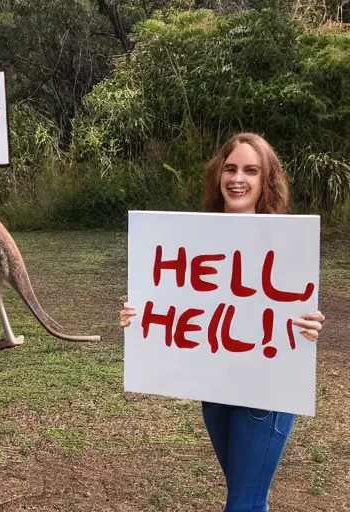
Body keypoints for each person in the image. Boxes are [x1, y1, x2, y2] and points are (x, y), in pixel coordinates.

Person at [119, 133, 325, 512]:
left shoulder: (286, 242)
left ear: (266, 181)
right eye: (230, 169)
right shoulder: (196, 238)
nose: (237, 179)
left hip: (266, 391)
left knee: (243, 504)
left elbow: (297, 310)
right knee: (248, 498)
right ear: (219, 175)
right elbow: (175, 303)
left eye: (251, 170)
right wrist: (140, 315)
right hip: (214, 389)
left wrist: (309, 327)